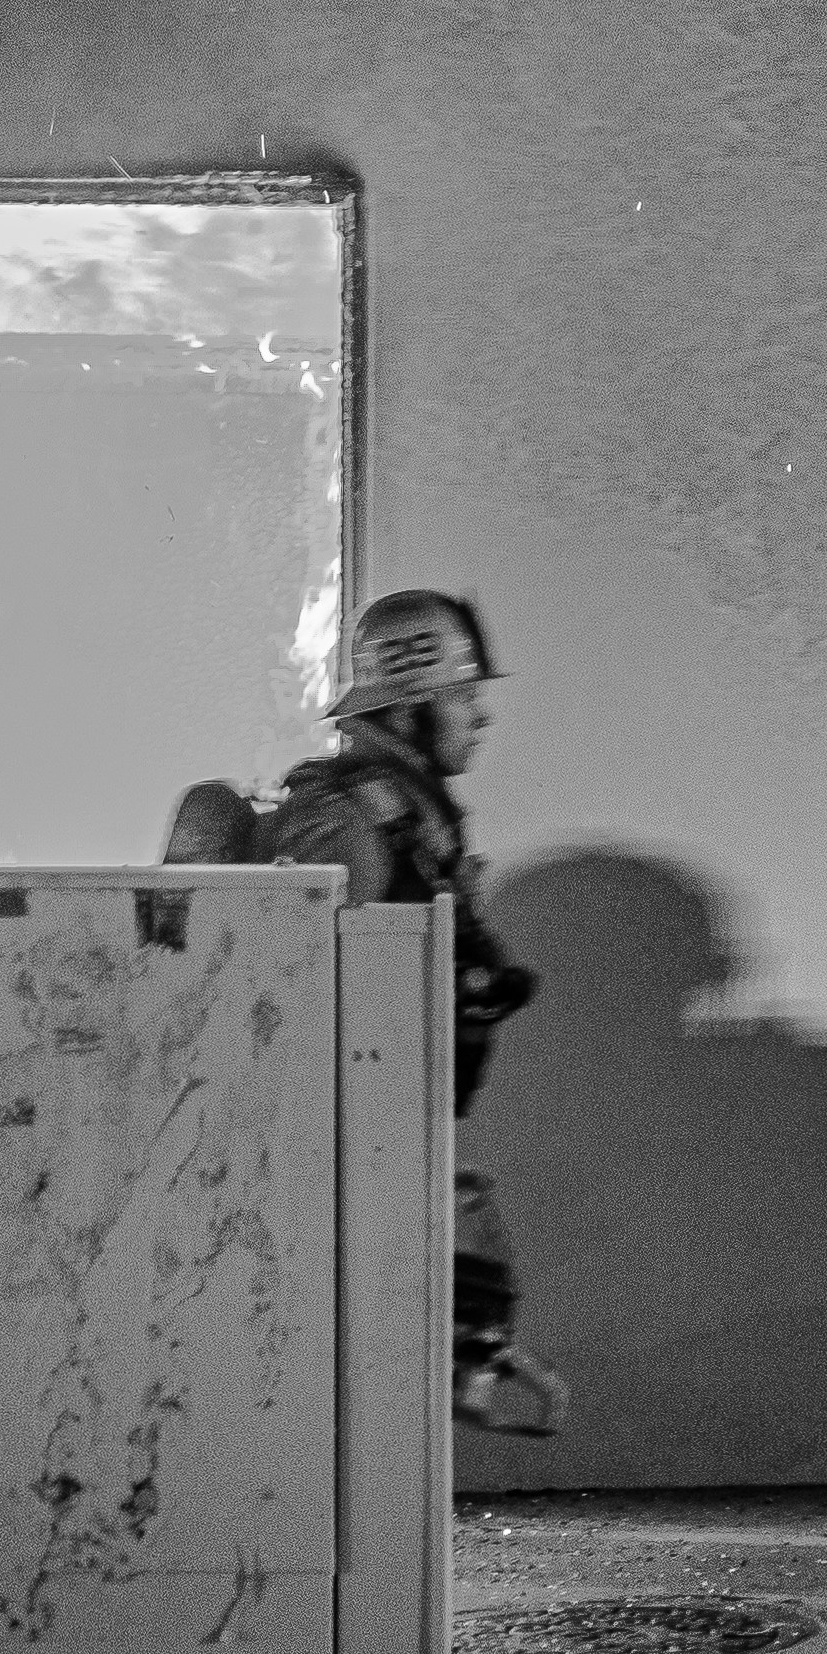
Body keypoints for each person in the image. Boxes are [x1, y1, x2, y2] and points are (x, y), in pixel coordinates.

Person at [253, 587, 564, 1436]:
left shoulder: (405, 813)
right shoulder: (348, 817)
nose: (483, 716)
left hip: (381, 1137)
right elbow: (286, 1003)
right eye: (466, 695)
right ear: (419, 705)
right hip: (337, 1151)